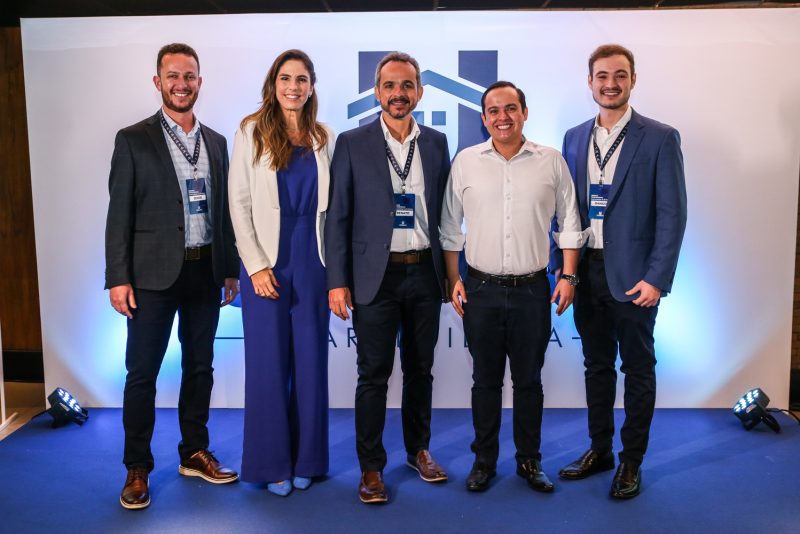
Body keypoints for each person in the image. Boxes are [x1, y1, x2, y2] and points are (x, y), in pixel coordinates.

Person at [105, 43, 240, 510]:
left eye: (190, 76)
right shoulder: (133, 139)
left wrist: (229, 269)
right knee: (141, 373)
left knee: (200, 367)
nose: (182, 84)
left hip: (205, 271)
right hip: (150, 276)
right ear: (158, 81)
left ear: (200, 82)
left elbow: (223, 213)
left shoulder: (218, 143)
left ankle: (193, 452)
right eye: (173, 76)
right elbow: (118, 213)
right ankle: (137, 467)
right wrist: (117, 277)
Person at [552, 44, 687, 499]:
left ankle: (631, 462)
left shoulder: (660, 137)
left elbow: (672, 214)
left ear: (632, 80)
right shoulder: (573, 137)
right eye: (602, 76)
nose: (611, 84)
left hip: (634, 277)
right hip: (586, 271)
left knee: (638, 369)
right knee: (595, 366)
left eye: (620, 76)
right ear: (589, 82)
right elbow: (565, 211)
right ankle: (600, 450)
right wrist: (562, 270)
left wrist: (657, 278)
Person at [441, 81, 584, 494]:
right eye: (493, 110)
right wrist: (453, 279)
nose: (502, 117)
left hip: (532, 290)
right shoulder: (466, 162)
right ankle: (483, 462)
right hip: (480, 290)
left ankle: (529, 461)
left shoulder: (551, 161)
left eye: (510, 108)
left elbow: (570, 223)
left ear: (524, 112)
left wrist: (569, 277)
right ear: (483, 117)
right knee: (484, 382)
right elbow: (450, 228)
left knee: (529, 382)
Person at [325, 52, 451, 504]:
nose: (399, 94)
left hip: (423, 274)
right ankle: (371, 468)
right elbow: (337, 217)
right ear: (377, 92)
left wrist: (451, 275)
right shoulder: (352, 142)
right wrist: (337, 281)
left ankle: (419, 450)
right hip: (372, 278)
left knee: (421, 371)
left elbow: (448, 217)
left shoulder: (436, 143)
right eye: (390, 86)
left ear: (419, 91)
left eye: (407, 85)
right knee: (373, 375)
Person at [228, 49, 335, 497]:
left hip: (314, 259)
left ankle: (308, 458)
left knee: (311, 363)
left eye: (302, 79)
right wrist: (254, 267)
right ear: (274, 84)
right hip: (266, 263)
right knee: (268, 366)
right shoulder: (251, 130)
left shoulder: (324, 135)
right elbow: (239, 203)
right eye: (286, 78)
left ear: (311, 86)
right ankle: (272, 464)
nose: (294, 86)